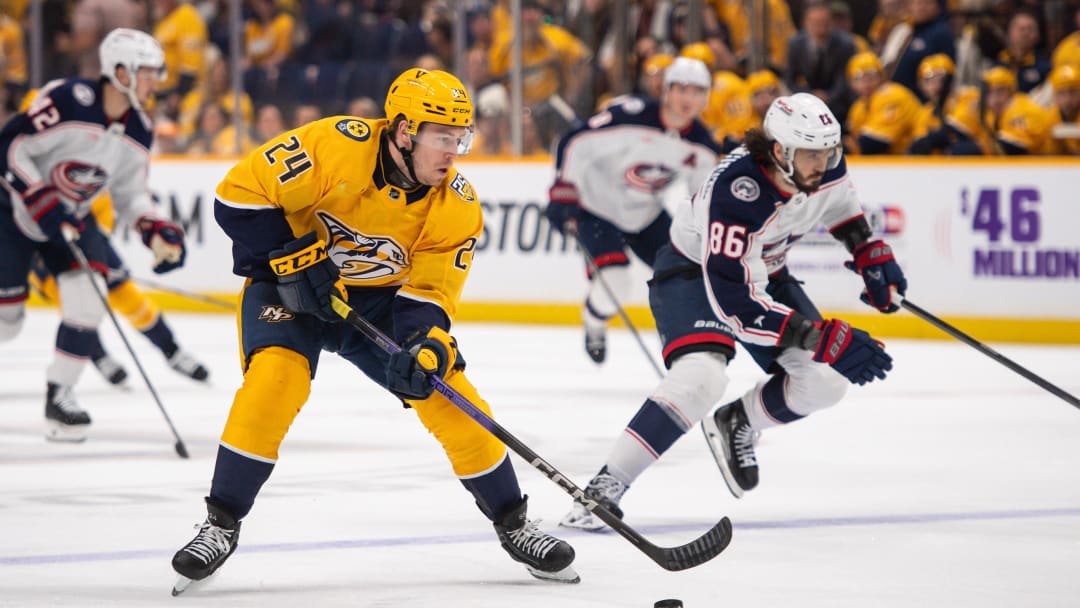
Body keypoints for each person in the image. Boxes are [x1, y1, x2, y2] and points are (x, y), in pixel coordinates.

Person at [170, 67, 579, 594]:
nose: (454, 151)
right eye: (443, 138)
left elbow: (429, 295)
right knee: (276, 381)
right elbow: (237, 197)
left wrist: (427, 349)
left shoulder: (456, 204)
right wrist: (296, 257)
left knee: (447, 391)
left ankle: (515, 524)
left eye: (461, 138)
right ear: (405, 130)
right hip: (287, 287)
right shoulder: (334, 146)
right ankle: (220, 523)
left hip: (379, 303)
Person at [561, 93, 901, 530]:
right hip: (695, 273)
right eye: (813, 154)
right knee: (700, 377)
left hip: (765, 272)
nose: (825, 163)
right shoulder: (738, 192)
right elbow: (737, 305)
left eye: (830, 151)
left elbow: (841, 205)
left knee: (825, 381)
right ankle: (604, 488)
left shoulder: (823, 165)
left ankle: (740, 419)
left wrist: (869, 251)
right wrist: (820, 336)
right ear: (780, 151)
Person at [0, 28, 187, 442]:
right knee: (7, 322)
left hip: (70, 218)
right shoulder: (68, 98)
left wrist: (154, 227)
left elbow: (131, 194)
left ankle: (60, 396)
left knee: (89, 298)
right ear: (121, 71)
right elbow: (11, 145)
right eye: (148, 73)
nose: (155, 82)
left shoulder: (140, 126)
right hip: (13, 210)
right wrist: (39, 196)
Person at [543, 57, 722, 364]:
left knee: (685, 276)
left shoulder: (703, 147)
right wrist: (564, 188)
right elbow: (575, 141)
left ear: (706, 98)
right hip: (595, 207)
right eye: (681, 89)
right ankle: (594, 322)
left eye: (697, 91)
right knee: (615, 280)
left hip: (645, 215)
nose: (688, 99)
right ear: (666, 90)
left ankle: (687, 348)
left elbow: (701, 200)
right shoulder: (630, 116)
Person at [27, 195, 209, 387]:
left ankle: (172, 350)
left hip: (90, 241)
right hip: (40, 251)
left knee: (129, 298)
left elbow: (102, 205)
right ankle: (100, 356)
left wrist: (93, 242)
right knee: (76, 308)